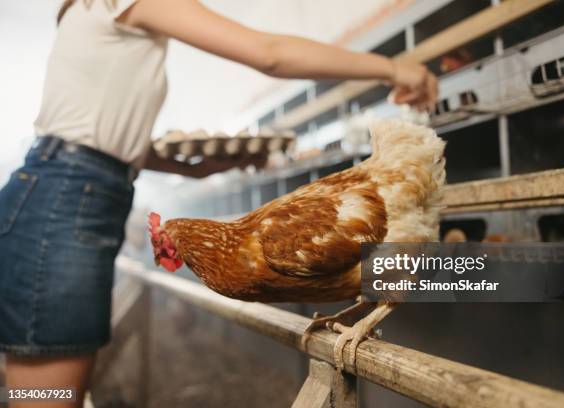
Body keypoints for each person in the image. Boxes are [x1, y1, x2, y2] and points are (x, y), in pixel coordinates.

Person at [0, 0, 437, 406]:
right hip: (68, 194)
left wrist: (195, 170)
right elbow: (271, 52)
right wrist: (395, 68)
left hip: (76, 192)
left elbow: (111, 139)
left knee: (44, 390)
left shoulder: (92, 14)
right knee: (46, 396)